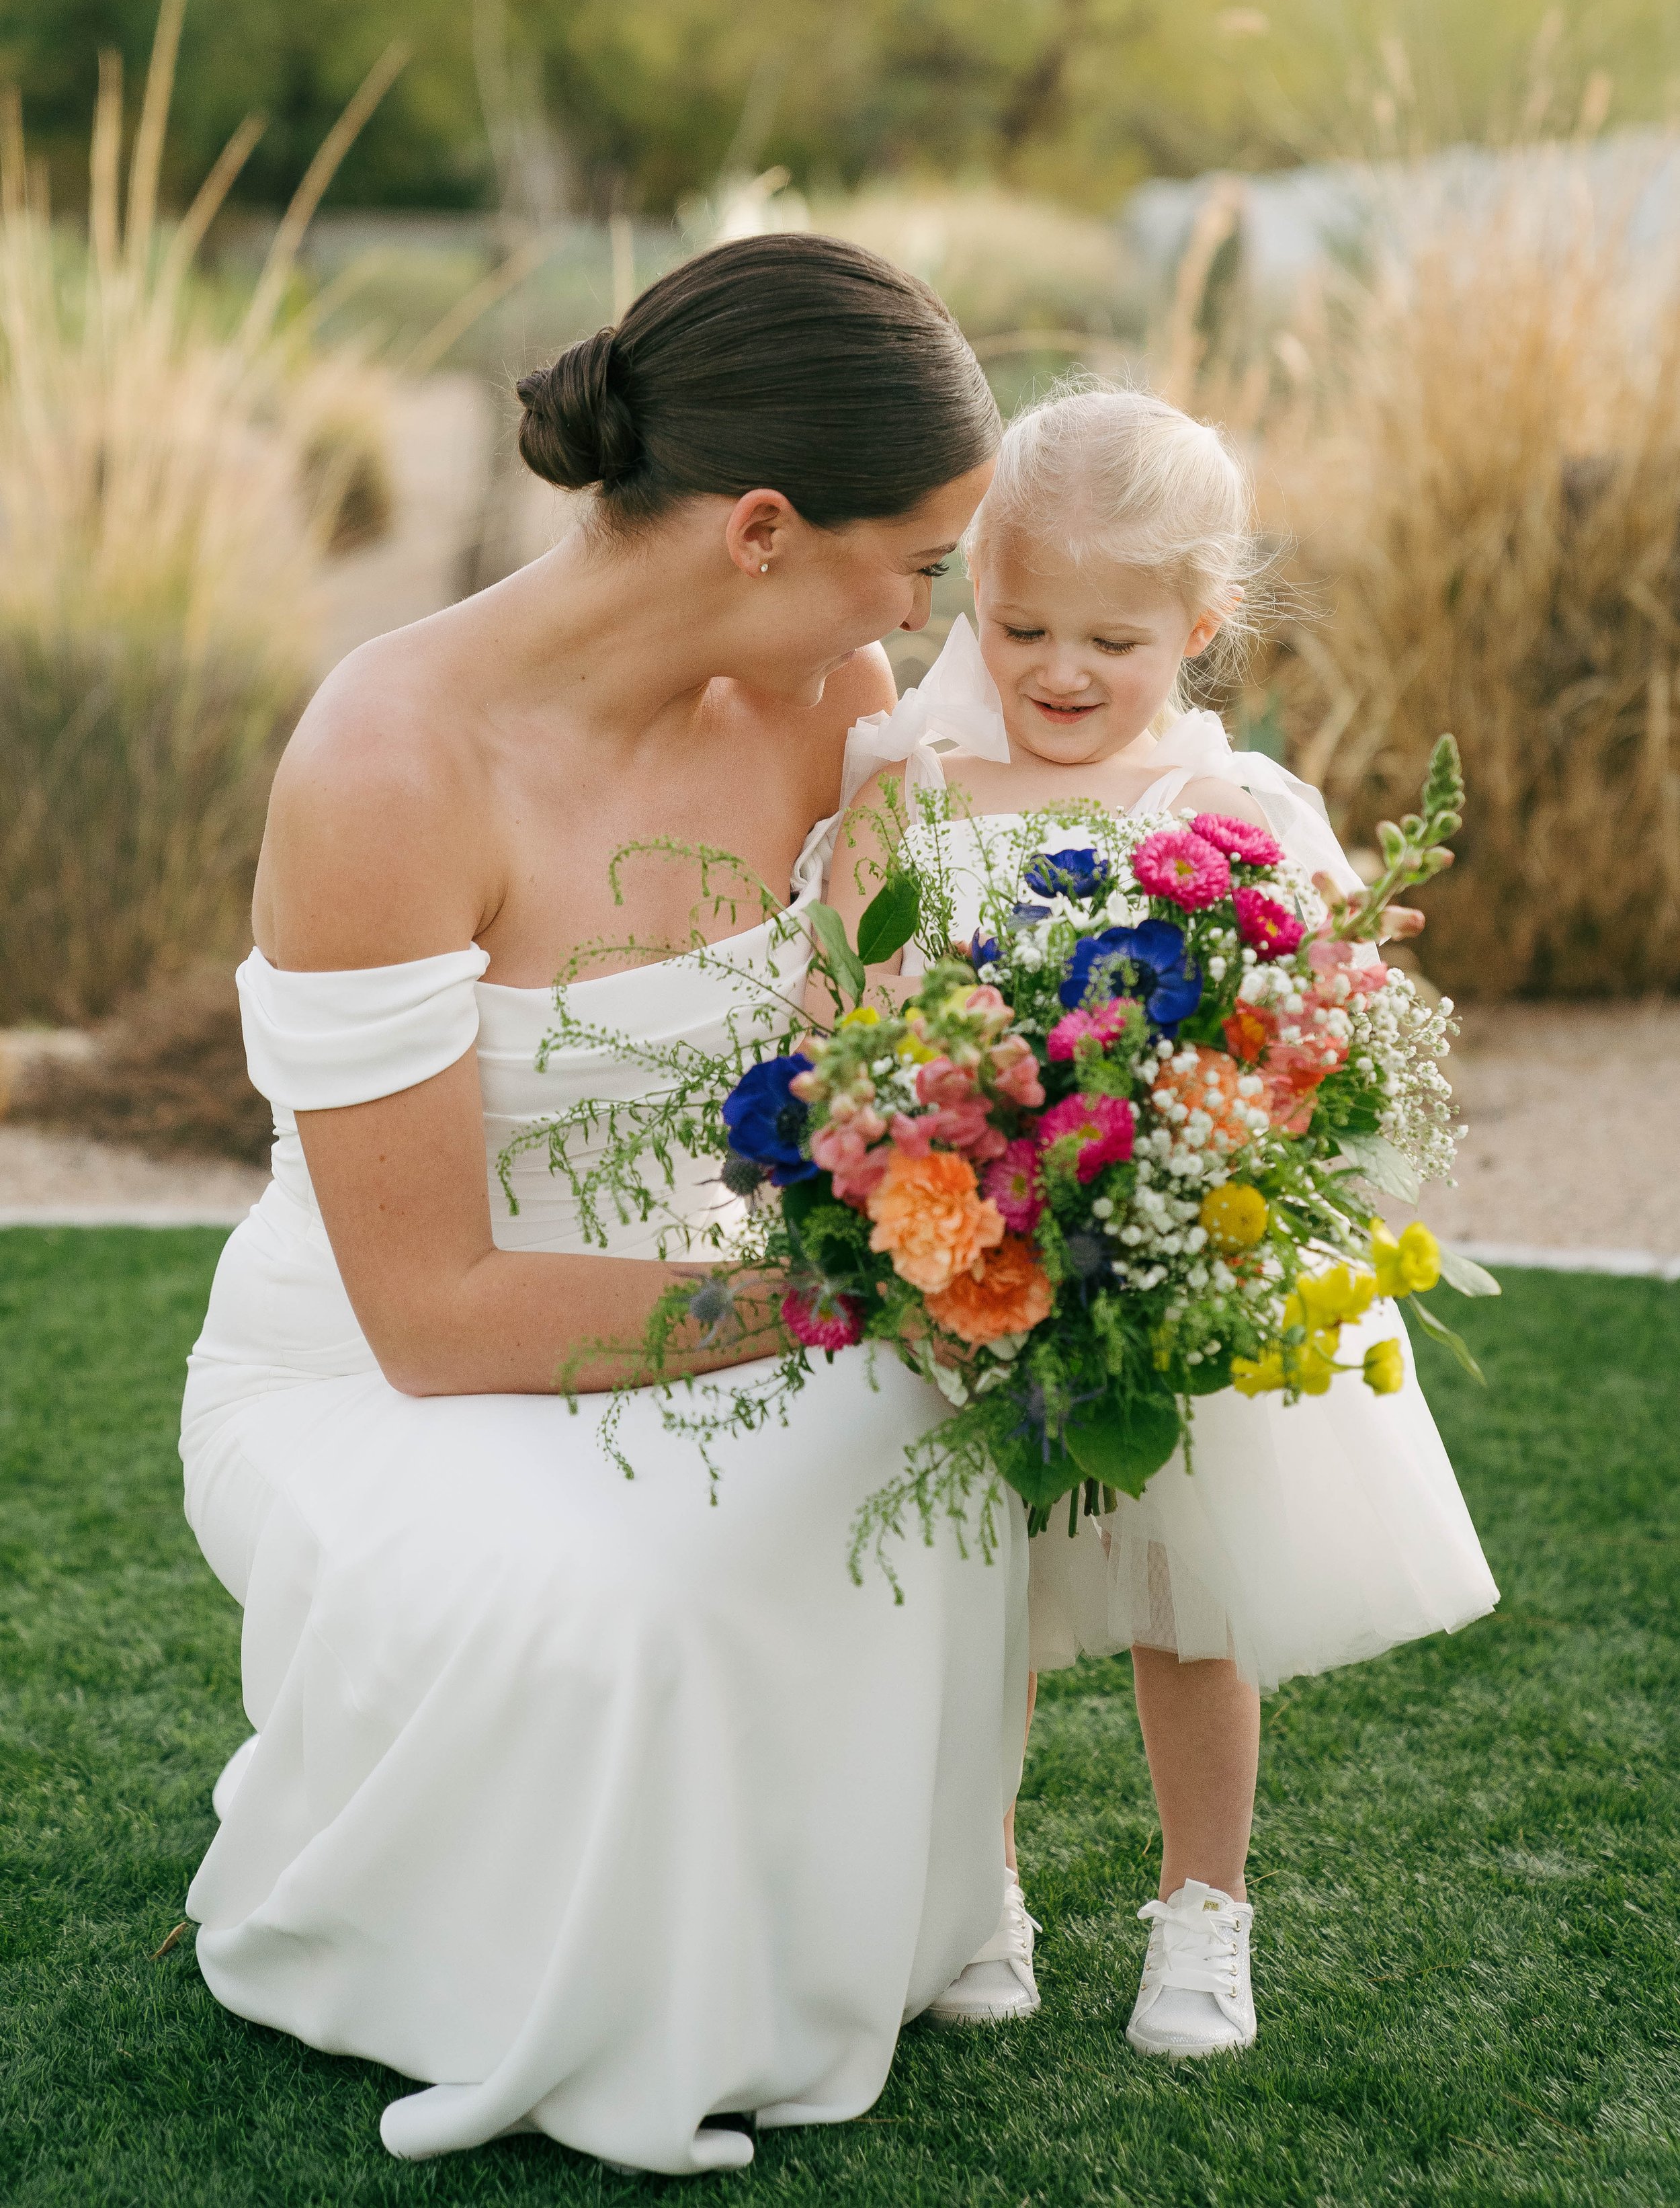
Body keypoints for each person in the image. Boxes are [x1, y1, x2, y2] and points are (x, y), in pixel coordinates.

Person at [178, 234, 1029, 2178]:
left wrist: (978, 1178)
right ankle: (513, 1962)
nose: (929, 608)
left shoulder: (832, 686)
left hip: (732, 1277)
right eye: (915, 558)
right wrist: (834, 1301)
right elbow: (431, 1309)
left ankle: (828, 1942)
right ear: (754, 526)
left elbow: (857, 1061)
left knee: (953, 1440)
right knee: (628, 1608)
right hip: (395, 1365)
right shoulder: (392, 763)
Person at [827, 381, 1498, 2056]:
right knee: (974, 1600)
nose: (1059, 669)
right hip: (964, 1265)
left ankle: (1203, 1911)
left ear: (1200, 627)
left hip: (1167, 1284)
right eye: (1022, 622)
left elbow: (1316, 1028)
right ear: (970, 596)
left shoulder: (1238, 811)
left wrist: (1224, 1139)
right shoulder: (911, 788)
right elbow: (850, 1003)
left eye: (1110, 640)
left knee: (1185, 1608)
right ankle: (978, 1895)